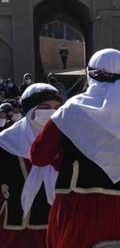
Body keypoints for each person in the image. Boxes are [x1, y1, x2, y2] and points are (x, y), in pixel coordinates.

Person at [29, 48, 120, 247]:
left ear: (91, 74)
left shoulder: (71, 111)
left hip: (81, 206)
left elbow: (39, 156)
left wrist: (64, 158)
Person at [0, 83, 62, 247]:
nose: (52, 112)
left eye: (57, 107)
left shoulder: (67, 140)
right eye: (45, 107)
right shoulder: (6, 142)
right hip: (17, 230)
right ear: (30, 110)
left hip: (58, 228)